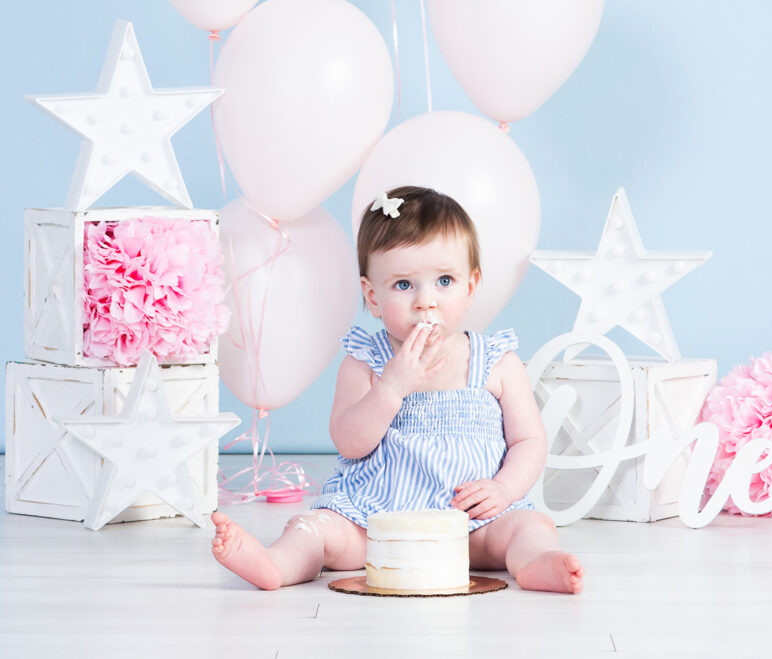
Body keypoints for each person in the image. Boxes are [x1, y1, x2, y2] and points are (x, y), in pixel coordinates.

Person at [211, 186, 583, 594]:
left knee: (530, 526)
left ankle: (535, 563)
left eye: (444, 280)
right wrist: (392, 386)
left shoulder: (496, 361)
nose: (426, 302)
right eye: (404, 285)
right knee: (315, 527)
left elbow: (529, 440)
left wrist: (503, 489)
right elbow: (349, 442)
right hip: (375, 522)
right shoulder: (365, 361)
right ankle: (277, 563)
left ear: (471, 286)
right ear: (372, 296)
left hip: (474, 523)